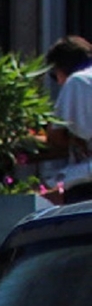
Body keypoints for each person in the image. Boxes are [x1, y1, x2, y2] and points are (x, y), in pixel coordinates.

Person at [46, 37, 92, 202]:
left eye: (54, 75)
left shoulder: (78, 81)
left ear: (60, 68)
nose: (58, 82)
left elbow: (55, 136)